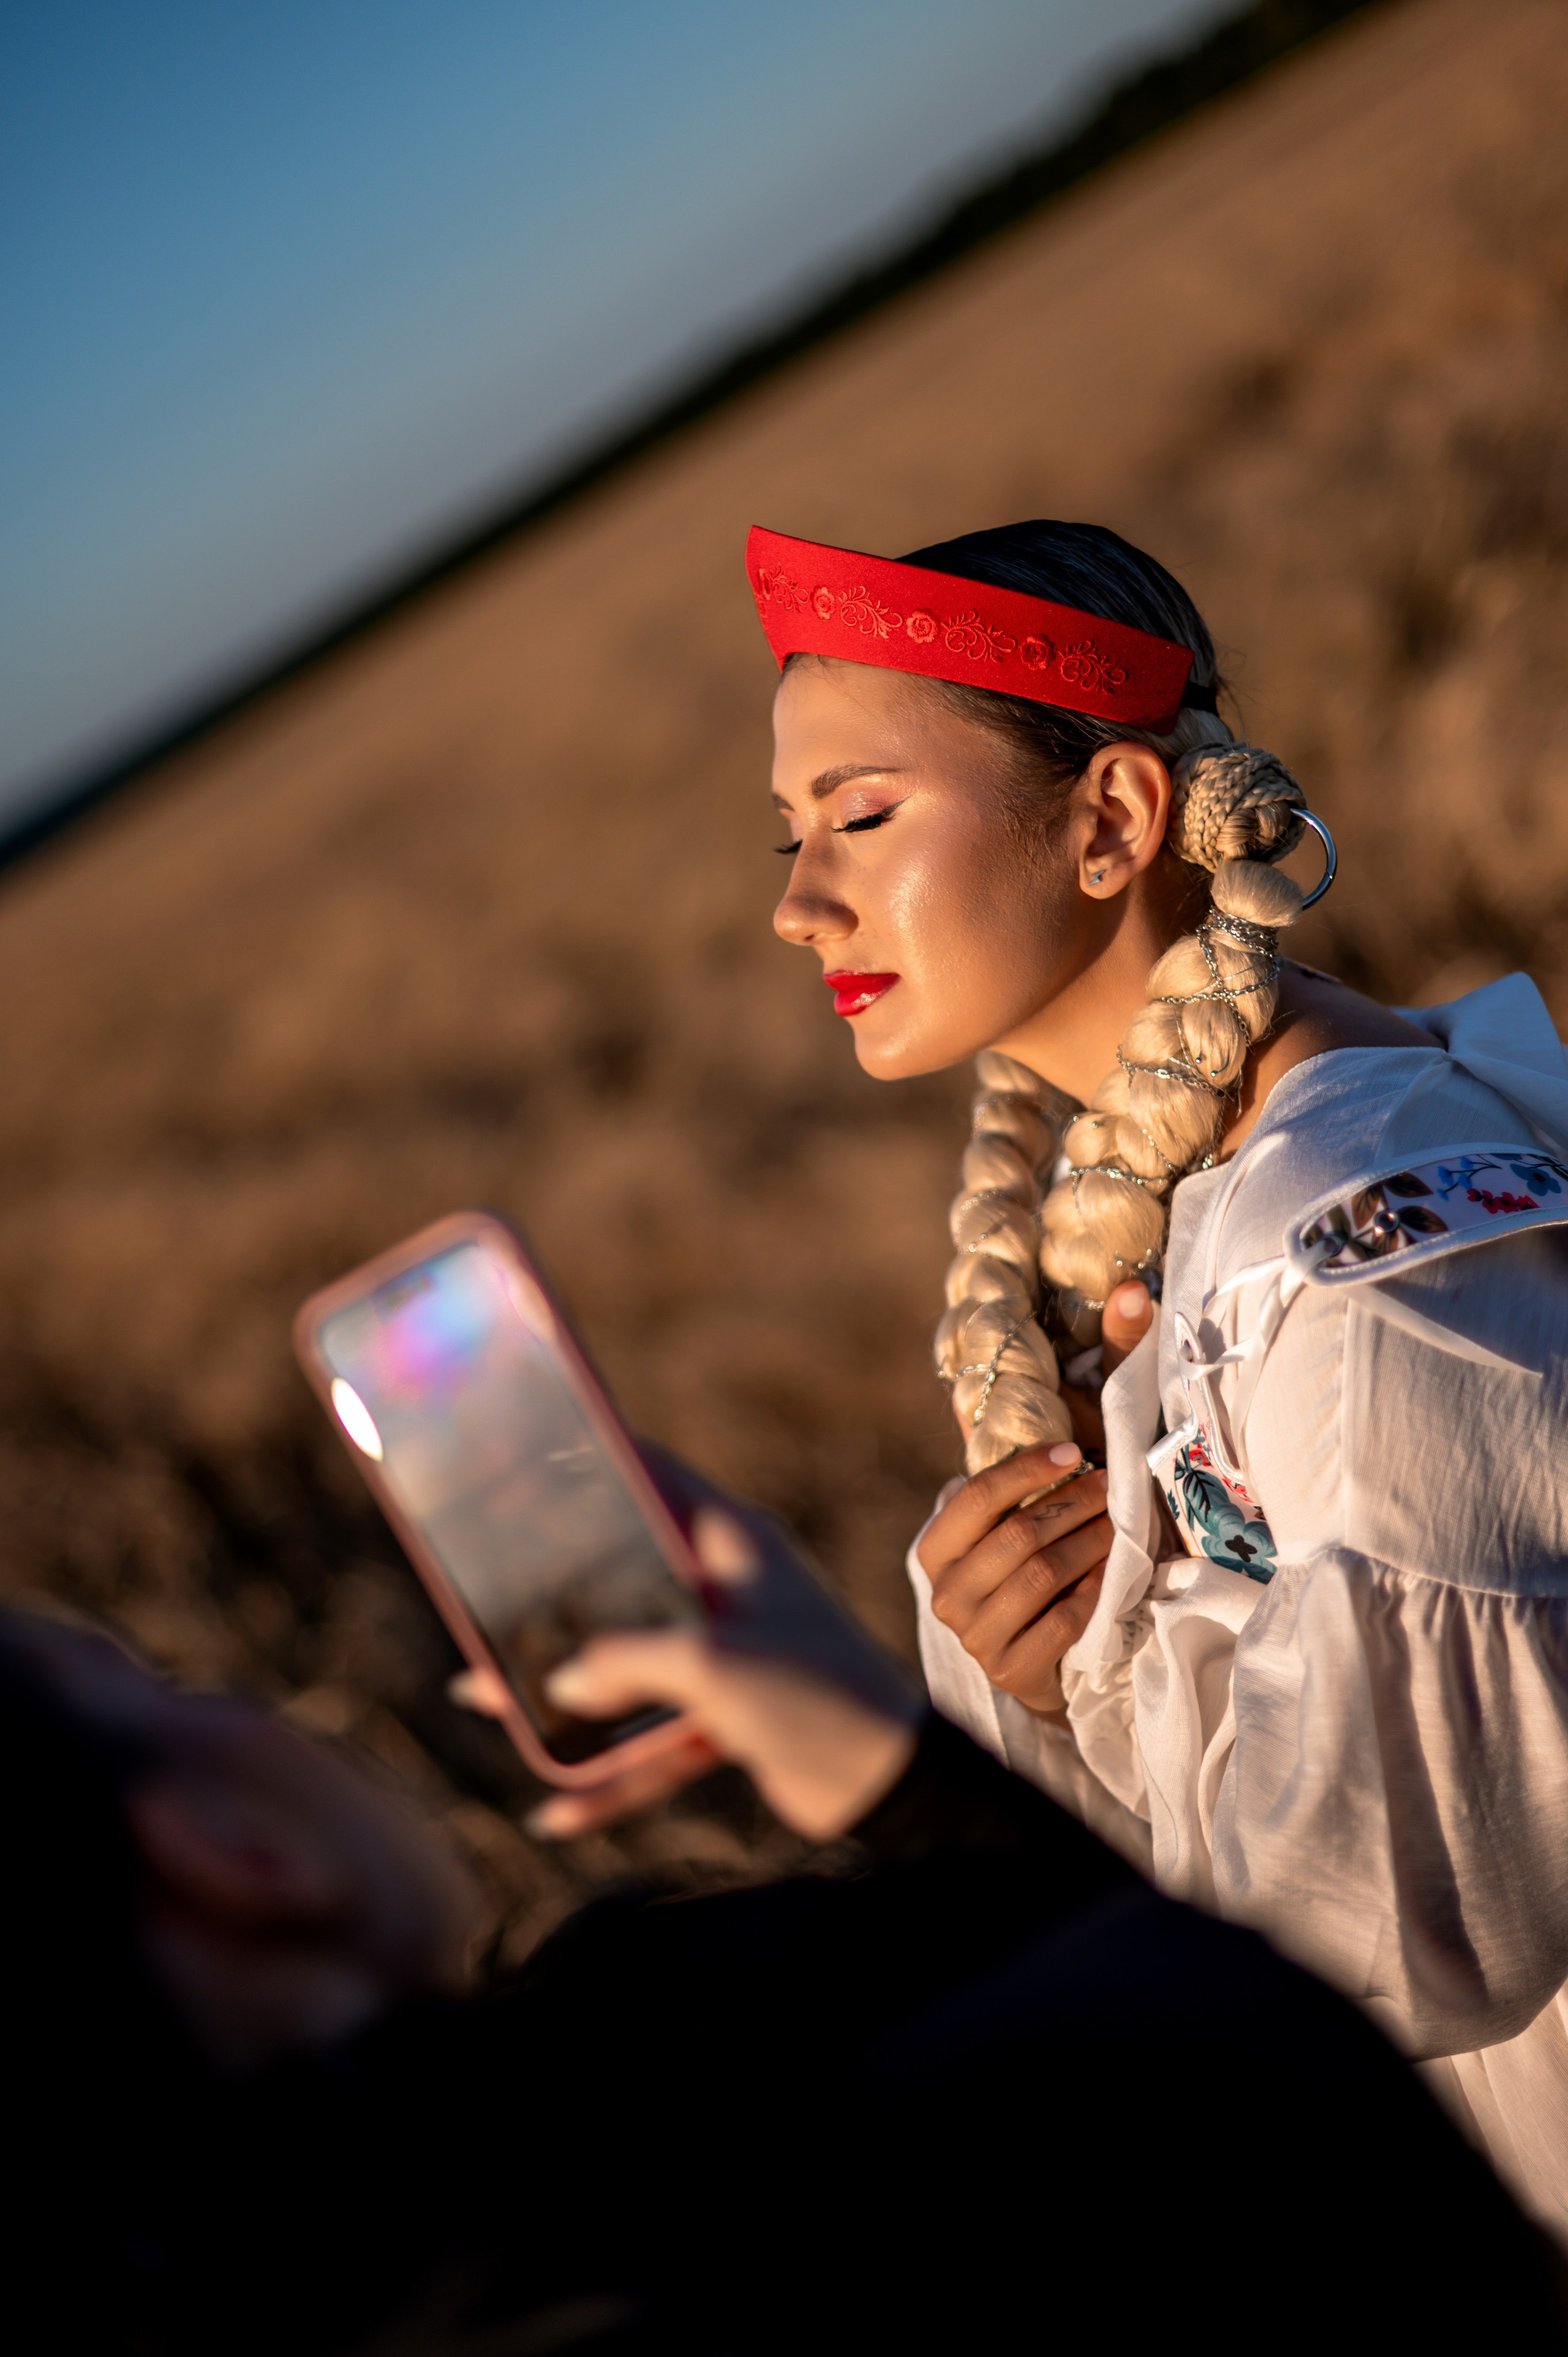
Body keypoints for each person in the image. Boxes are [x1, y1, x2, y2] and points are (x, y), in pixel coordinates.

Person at [751, 517, 1568, 2239]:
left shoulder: (1371, 1232)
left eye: (862, 817)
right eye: (791, 832)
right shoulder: (1176, 1218)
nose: (794, 902)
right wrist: (1041, 1687)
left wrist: (1099, 1671)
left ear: (1116, 821)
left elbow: (1413, 1916)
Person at [6, 1471, 1561, 2353]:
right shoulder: (796, 2136)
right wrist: (904, 1781)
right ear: (220, 1850)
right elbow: (1280, 2130)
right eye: (162, 1683)